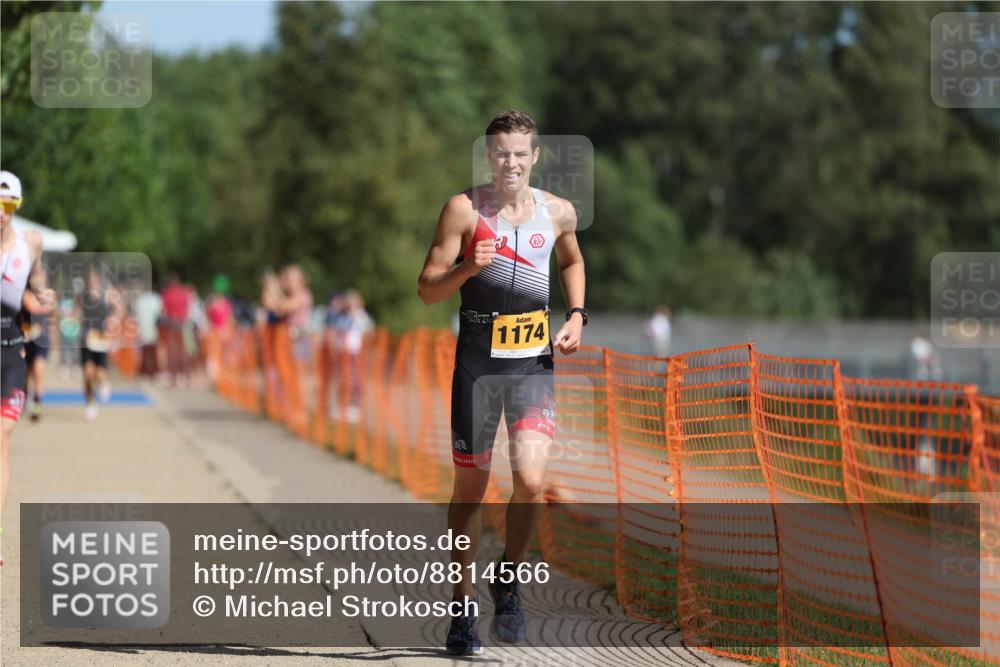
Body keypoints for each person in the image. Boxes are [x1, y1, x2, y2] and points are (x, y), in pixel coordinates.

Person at [417, 110, 586, 654]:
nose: (510, 162)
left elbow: (571, 261)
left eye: (520, 153)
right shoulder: (463, 211)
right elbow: (426, 289)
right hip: (478, 367)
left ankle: (508, 578)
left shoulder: (558, 212)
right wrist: (467, 268)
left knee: (532, 481)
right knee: (471, 488)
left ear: (535, 157)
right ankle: (462, 605)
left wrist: (578, 315)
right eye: (500, 153)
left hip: (531, 364)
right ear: (487, 157)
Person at [0, 170, 55, 563]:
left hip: (9, 353)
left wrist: (42, 292)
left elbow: (36, 280)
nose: (1, 213)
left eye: (8, 205)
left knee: (0, 439)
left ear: (17, 207)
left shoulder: (30, 242)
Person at [75, 266, 121, 421]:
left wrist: (112, 322)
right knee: (88, 373)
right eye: (90, 282)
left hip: (101, 340)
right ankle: (90, 403)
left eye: (95, 281)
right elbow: (74, 314)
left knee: (100, 373)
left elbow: (119, 311)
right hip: (86, 340)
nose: (93, 284)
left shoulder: (107, 297)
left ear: (99, 282)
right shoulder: (82, 298)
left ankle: (103, 383)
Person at [23, 266, 53, 421]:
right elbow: (30, 307)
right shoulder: (25, 293)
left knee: (39, 371)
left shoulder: (49, 295)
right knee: (27, 374)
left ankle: (37, 405)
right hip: (27, 339)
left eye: (41, 276)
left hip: (42, 340)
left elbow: (51, 311)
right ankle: (25, 400)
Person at [160, 274, 191, 386]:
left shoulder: (167, 294)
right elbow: (187, 310)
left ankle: (172, 376)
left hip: (170, 324)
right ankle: (183, 375)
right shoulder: (184, 294)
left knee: (171, 352)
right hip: (181, 324)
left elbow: (163, 310)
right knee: (182, 351)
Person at [133, 281, 163, 380]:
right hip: (152, 327)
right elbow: (160, 313)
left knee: (146, 351)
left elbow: (135, 315)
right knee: (151, 351)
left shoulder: (140, 300)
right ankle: (152, 371)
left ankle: (146, 371)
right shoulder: (156, 299)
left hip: (144, 327)